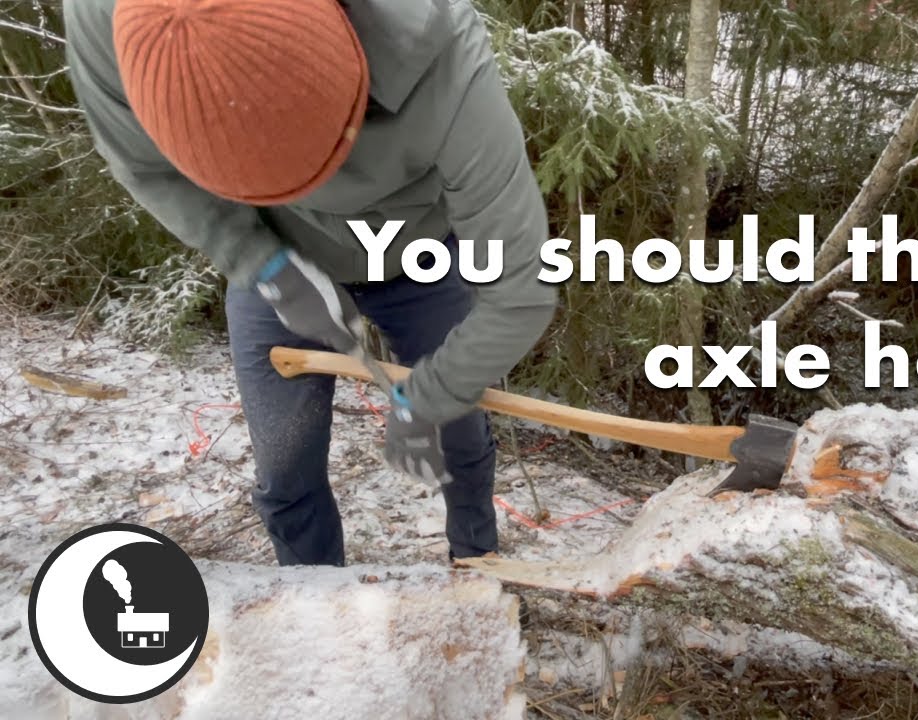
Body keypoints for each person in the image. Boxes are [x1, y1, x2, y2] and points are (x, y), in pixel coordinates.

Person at [63, 0, 558, 565]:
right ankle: (314, 611)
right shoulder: (110, 21)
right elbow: (141, 163)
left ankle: (477, 564)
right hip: (276, 247)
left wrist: (431, 397)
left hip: (421, 249)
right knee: (284, 465)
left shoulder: (442, 53)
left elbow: (520, 289)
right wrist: (258, 261)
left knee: (460, 438)